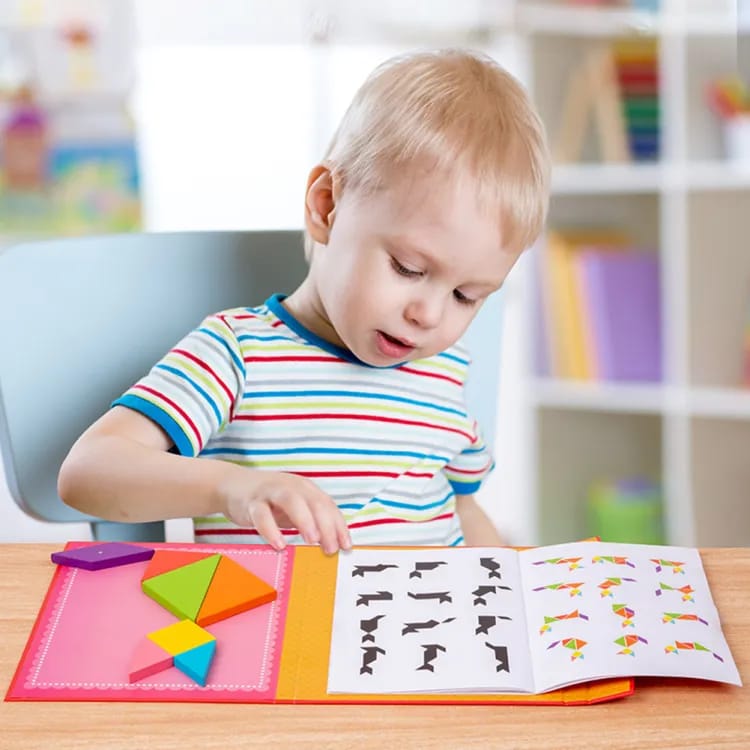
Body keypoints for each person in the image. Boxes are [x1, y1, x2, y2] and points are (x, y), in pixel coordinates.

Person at [58, 48, 550, 555]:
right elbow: (88, 470)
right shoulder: (240, 354)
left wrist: (511, 586)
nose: (428, 314)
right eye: (408, 269)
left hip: (420, 630)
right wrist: (231, 487)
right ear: (327, 206)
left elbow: (464, 508)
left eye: (466, 296)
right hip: (278, 627)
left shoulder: (446, 371)